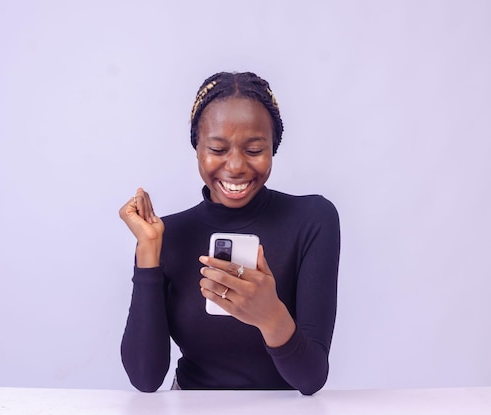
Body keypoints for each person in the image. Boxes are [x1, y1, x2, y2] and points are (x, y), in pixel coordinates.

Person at [119, 71, 341, 395]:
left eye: (253, 150)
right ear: (197, 147)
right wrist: (148, 254)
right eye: (218, 149)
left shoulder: (312, 220)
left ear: (273, 148)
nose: (235, 166)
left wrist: (270, 316)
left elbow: (310, 379)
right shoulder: (167, 234)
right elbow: (145, 378)